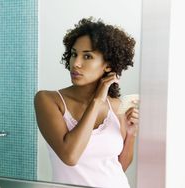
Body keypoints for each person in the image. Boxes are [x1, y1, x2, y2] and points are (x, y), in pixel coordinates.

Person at [34, 17, 139, 188]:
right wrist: (98, 99)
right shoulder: (48, 100)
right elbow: (70, 156)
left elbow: (119, 166)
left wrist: (132, 134)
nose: (76, 63)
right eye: (74, 54)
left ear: (108, 65)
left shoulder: (117, 106)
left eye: (87, 56)